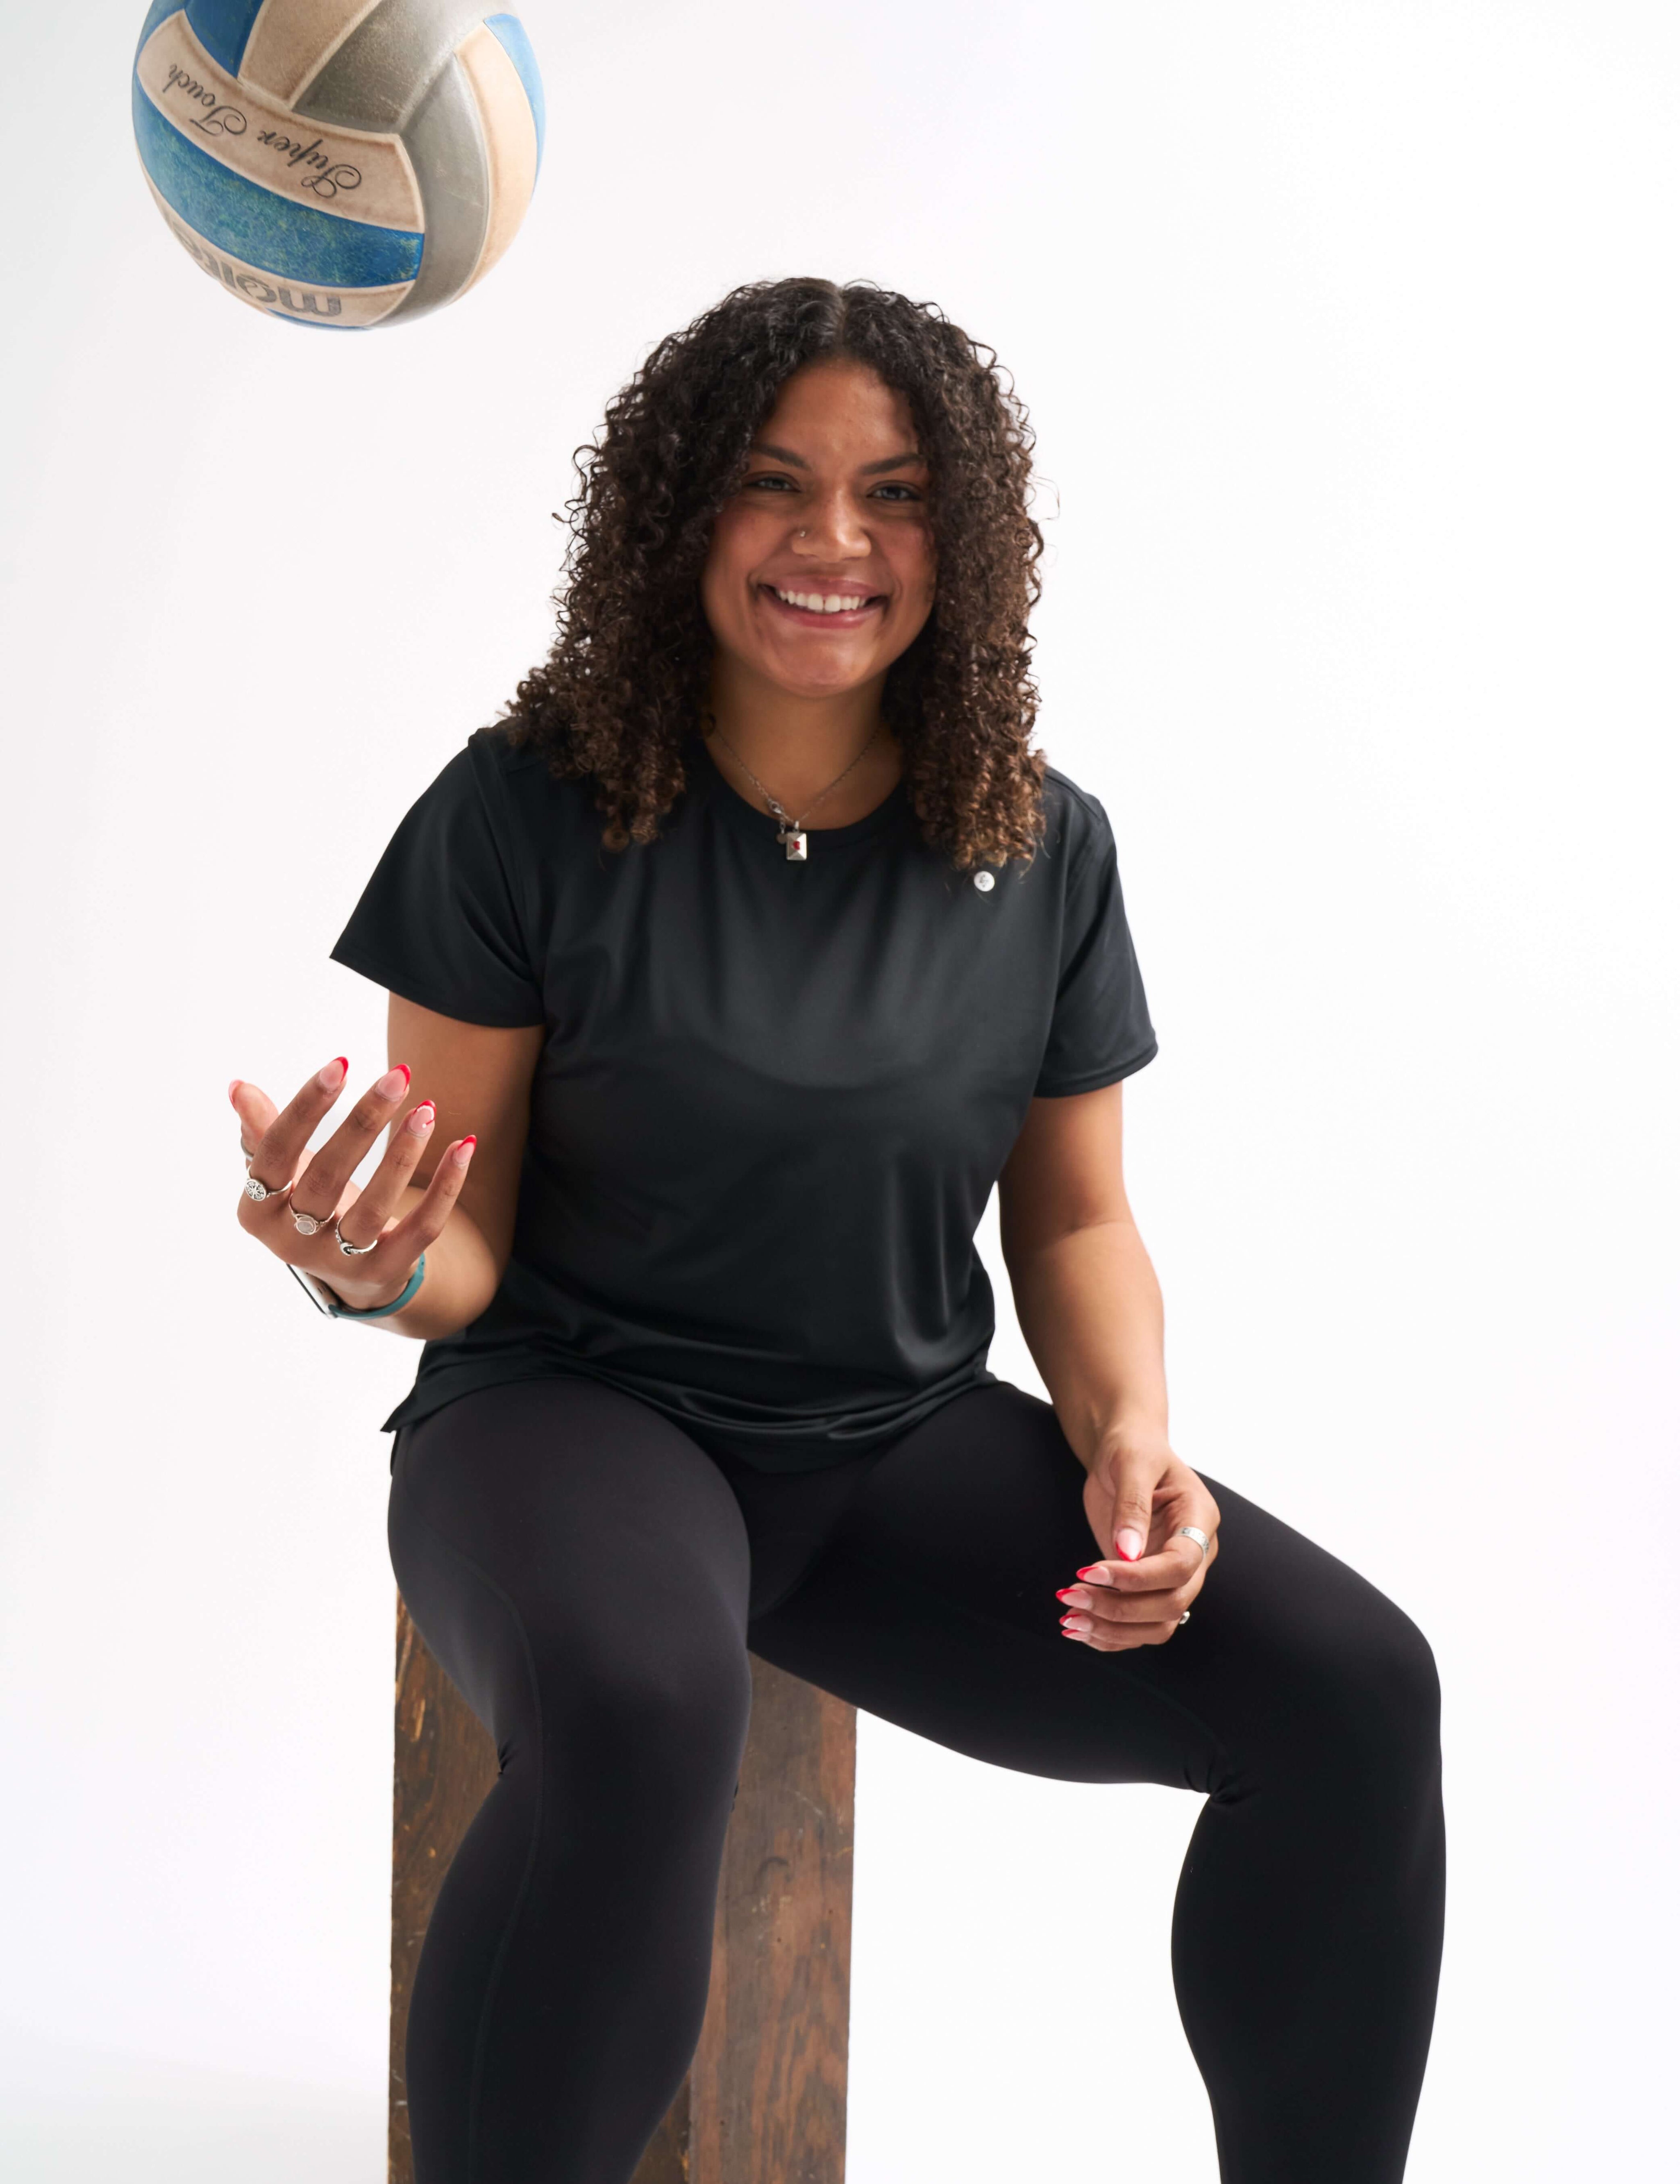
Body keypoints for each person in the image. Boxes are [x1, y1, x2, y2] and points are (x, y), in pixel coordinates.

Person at [230, 278, 1444, 2184]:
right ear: (678, 514)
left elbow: (1073, 1219)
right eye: (772, 483)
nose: (832, 541)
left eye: (892, 495)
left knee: (1354, 1695)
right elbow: (454, 1253)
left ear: (960, 541)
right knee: (643, 1701)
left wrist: (1130, 1432)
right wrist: (360, 1257)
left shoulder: (1036, 843)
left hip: (887, 1443)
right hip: (571, 1413)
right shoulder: (520, 815)